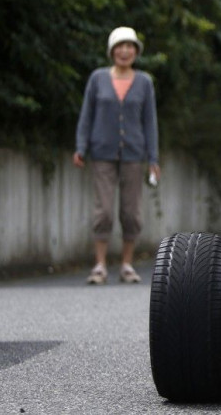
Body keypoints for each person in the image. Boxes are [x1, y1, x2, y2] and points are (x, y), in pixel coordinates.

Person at [74, 26, 160, 284]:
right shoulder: (97, 78)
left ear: (136, 51)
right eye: (120, 46)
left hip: (134, 154)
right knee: (104, 212)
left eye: (130, 46)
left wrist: (153, 158)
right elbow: (86, 115)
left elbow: (150, 122)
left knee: (131, 212)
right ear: (112, 51)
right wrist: (81, 147)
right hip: (101, 153)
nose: (125, 51)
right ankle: (99, 265)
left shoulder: (144, 81)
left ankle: (126, 264)